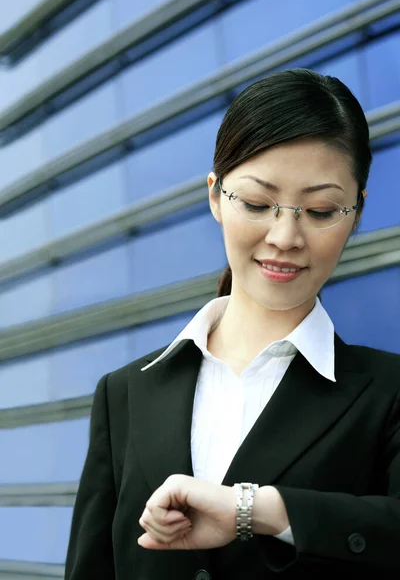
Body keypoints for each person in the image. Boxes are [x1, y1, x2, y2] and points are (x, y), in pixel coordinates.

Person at [64, 68, 400, 579]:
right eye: (259, 203)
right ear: (216, 196)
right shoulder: (125, 395)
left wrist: (257, 510)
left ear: (355, 216)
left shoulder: (390, 393)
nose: (285, 236)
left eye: (321, 209)